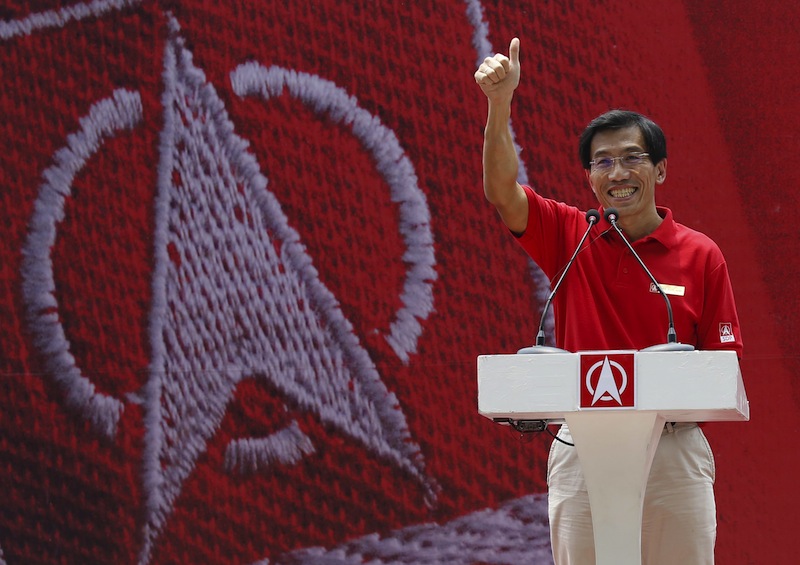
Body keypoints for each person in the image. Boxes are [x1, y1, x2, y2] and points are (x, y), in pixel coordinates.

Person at [474, 38, 743, 564]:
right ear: (589, 177)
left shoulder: (701, 254)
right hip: (582, 448)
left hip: (672, 450)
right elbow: (501, 191)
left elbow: (723, 366)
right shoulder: (569, 234)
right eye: (603, 163)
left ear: (660, 170)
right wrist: (500, 104)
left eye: (632, 158)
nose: (617, 173)